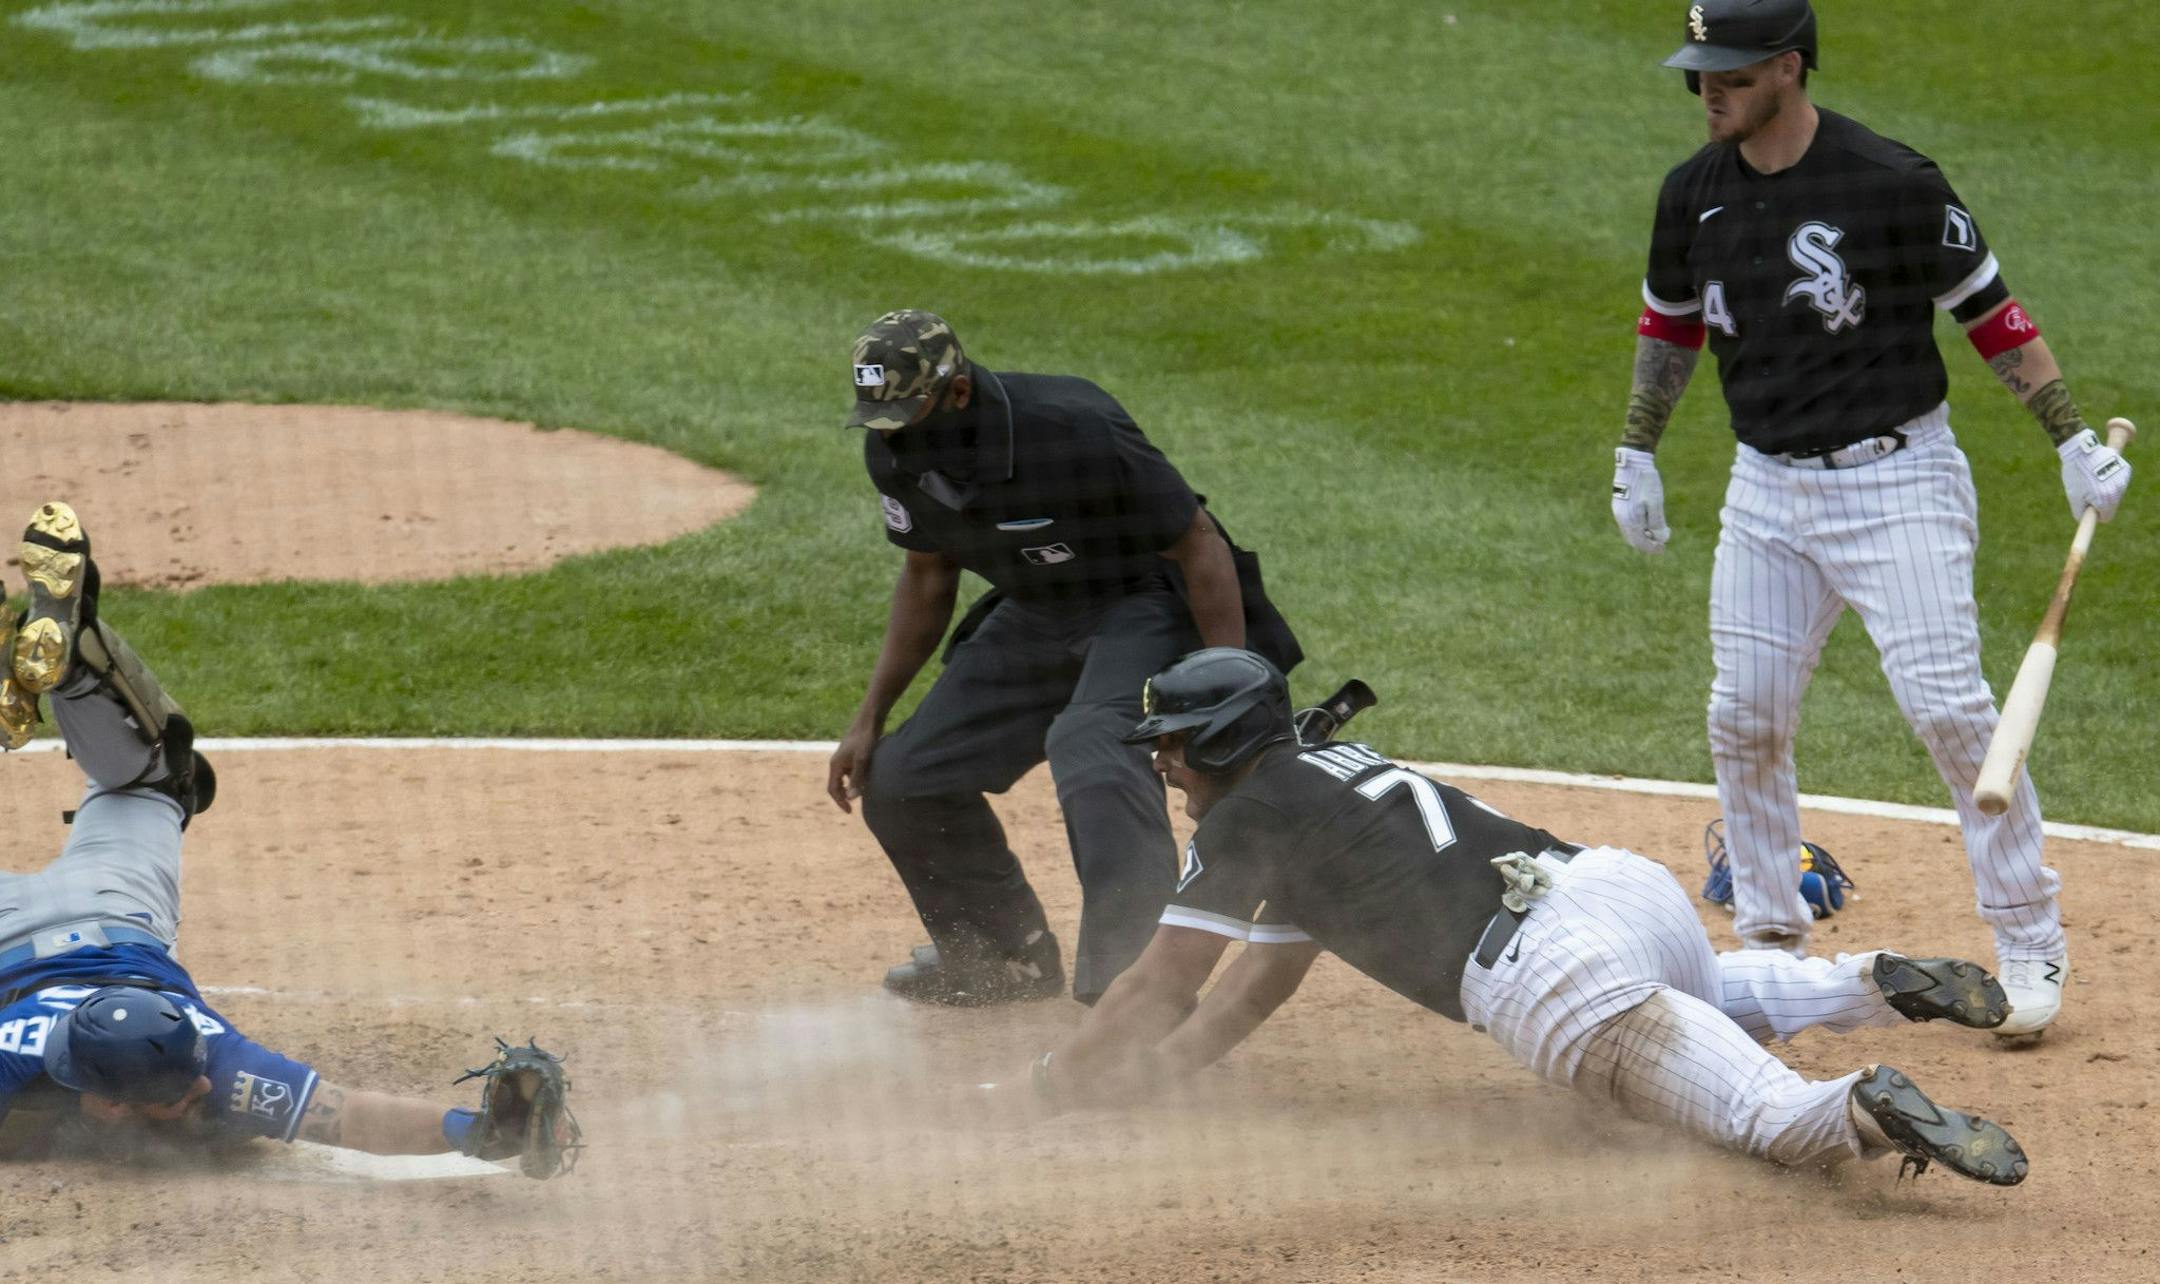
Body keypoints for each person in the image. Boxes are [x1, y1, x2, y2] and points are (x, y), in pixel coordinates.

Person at [992, 649, 2028, 1185]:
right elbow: (1245, 999)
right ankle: (1867, 982)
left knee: (1763, 1122)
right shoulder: (1330, 784)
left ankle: (1859, 1099)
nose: (1163, 764)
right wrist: (1149, 1084)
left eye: (1172, 744)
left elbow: (1164, 985)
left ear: (1219, 743)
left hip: (1555, 978)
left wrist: (1054, 1084)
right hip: (1622, 895)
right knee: (1697, 997)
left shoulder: (1250, 822)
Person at [1606, 0, 2130, 1036]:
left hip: (1900, 483)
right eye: (1701, 72)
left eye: (1735, 73)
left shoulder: (1892, 181)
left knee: (1950, 713)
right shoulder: (1692, 197)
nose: (1709, 90)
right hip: (1765, 489)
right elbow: (1668, 326)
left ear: (1790, 69)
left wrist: (2068, 436)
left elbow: (1993, 314)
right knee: (1744, 715)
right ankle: (1767, 948)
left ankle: (2028, 936)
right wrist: (1637, 446)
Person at [0, 503, 578, 1176]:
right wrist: (477, 1131)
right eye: (183, 1093)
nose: (206, 1086)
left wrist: (481, 1132)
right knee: (148, 787)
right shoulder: (203, 1059)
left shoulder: (200, 1054)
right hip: (110, 904)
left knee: (165, 784)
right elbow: (347, 1114)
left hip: (108, 915)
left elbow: (349, 1115)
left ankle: (67, 666)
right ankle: (73, 672)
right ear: (105, 1106)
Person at [826, 311, 1301, 1007]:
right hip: (1037, 608)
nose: (893, 433)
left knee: (1090, 740)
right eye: (880, 417)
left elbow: (1199, 544)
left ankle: (1139, 992)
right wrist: (870, 717)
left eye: (908, 411)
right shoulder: (894, 450)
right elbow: (928, 577)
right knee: (902, 777)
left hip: (1147, 597)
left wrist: (1225, 683)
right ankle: (1003, 960)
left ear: (957, 393)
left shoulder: (1070, 425)